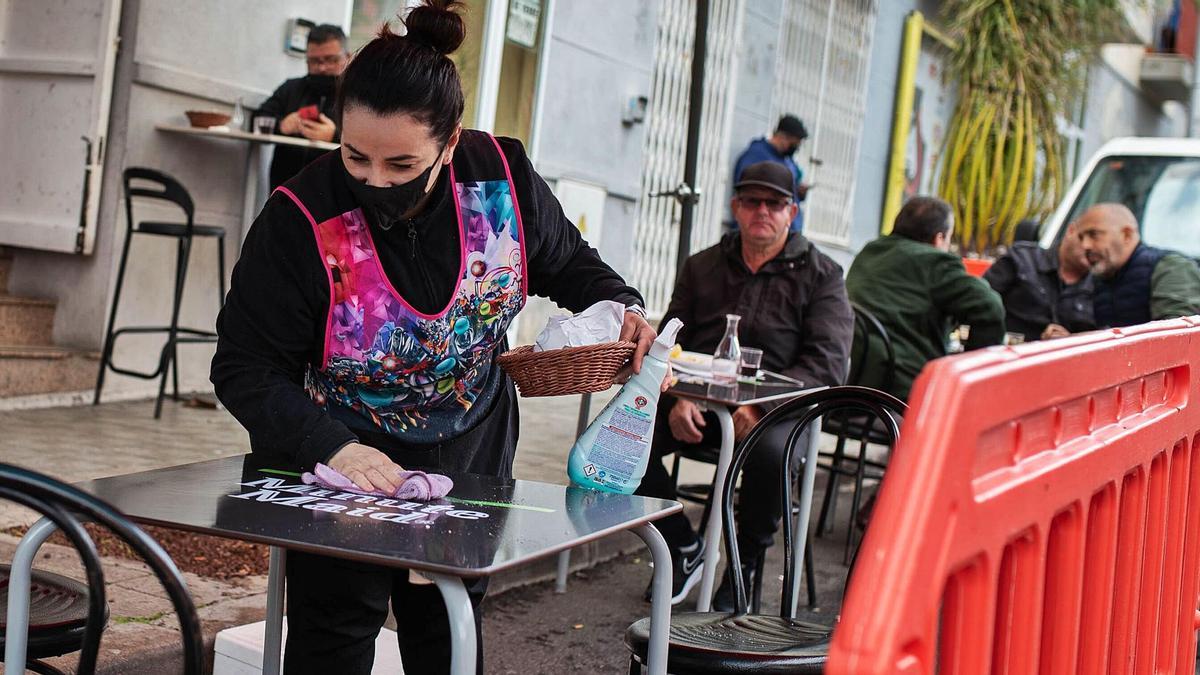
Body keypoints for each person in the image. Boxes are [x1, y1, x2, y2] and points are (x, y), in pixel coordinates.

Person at [210, 3, 660, 673]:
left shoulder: (500, 183)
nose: (375, 182)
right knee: (331, 636)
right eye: (355, 157)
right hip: (340, 461)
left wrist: (622, 308)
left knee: (445, 631)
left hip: (469, 450)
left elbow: (573, 266)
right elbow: (244, 366)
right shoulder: (300, 219)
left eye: (401, 164)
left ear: (450, 143)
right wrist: (332, 444)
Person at [636, 161, 853, 610]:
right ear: (736, 207)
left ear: (791, 212)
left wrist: (760, 408)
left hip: (777, 411)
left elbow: (827, 365)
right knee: (622, 435)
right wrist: (677, 396)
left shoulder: (823, 276)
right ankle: (682, 545)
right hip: (698, 403)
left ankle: (743, 565)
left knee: (771, 452)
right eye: (751, 201)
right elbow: (670, 342)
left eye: (774, 203)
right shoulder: (703, 266)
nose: (762, 211)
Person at [846, 196, 1005, 401]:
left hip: (848, 387)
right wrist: (971, 366)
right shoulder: (935, 262)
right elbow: (990, 306)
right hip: (901, 394)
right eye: (949, 239)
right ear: (939, 239)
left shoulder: (871, 251)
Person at [1074, 202, 1200, 327]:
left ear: (1127, 234)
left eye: (1094, 235)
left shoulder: (1171, 268)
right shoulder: (1097, 279)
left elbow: (1177, 336)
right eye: (1081, 238)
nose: (1085, 245)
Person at [257, 23, 350, 189]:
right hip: (286, 189)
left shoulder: (358, 95)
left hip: (335, 193)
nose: (322, 68)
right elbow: (257, 120)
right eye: (314, 61)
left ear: (347, 57)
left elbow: (375, 139)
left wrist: (335, 136)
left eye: (331, 60)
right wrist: (282, 125)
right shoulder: (291, 88)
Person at [983, 220, 1095, 341]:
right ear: (1071, 230)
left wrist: (1070, 341)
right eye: (1088, 237)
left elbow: (1107, 338)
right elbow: (980, 303)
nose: (1091, 247)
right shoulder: (1021, 259)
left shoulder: (1102, 286)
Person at [730, 115, 810, 233]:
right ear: (783, 137)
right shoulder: (756, 157)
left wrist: (799, 191)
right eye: (794, 144)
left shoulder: (787, 160)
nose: (796, 149)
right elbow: (751, 194)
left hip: (786, 235)